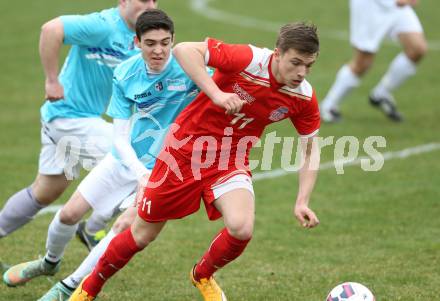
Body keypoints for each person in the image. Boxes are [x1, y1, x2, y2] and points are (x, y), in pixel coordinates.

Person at [69, 22, 321, 301]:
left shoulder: (303, 98)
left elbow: (310, 149)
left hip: (229, 160)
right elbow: (184, 50)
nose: (301, 72)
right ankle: (88, 289)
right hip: (183, 152)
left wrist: (302, 201)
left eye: (308, 65)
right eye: (295, 62)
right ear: (278, 53)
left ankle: (202, 275)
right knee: (141, 235)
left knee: (242, 227)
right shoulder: (249, 59)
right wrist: (217, 94)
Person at [3, 9, 202, 301]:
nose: (158, 50)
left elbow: (230, 73)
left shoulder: (189, 69)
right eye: (150, 43)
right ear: (137, 43)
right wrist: (139, 173)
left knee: (124, 225)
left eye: (165, 42)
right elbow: (120, 137)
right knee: (68, 213)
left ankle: (68, 287)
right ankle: (49, 262)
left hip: (163, 168)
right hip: (126, 160)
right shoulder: (125, 73)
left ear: (173, 41)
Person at [0, 0, 158, 243]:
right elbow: (51, 30)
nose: (150, 5)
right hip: (69, 118)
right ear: (123, 1)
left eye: (154, 0)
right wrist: (52, 81)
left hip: (70, 119)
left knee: (44, 192)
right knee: (133, 163)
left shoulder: (144, 37)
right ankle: (93, 228)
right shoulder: (103, 25)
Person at [320, 0, 427, 122]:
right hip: (371, 7)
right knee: (363, 62)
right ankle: (328, 106)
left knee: (417, 48)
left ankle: (381, 94)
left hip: (397, 8)